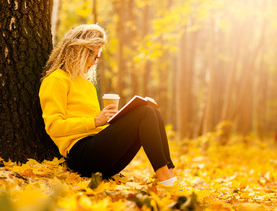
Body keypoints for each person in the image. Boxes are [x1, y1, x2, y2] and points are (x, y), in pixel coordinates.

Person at [39, 24, 184, 194]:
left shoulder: (86, 84)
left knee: (151, 111)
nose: (95, 63)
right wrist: (95, 121)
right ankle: (166, 181)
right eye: (93, 57)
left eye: (97, 58)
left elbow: (95, 126)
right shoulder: (56, 80)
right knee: (145, 113)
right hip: (81, 157)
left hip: (100, 156)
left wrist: (113, 121)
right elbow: (53, 126)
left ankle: (169, 174)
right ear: (79, 52)